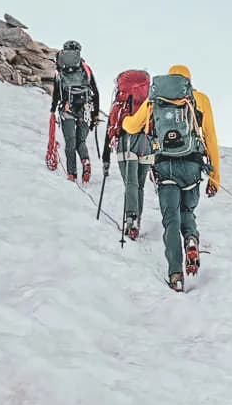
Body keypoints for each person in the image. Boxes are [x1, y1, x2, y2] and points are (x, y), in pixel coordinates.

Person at [119, 64, 220, 291]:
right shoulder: (199, 99)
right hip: (192, 165)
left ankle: (175, 274)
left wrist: (124, 119)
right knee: (187, 212)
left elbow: (134, 126)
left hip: (165, 166)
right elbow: (211, 137)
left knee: (171, 220)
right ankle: (191, 239)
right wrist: (215, 177)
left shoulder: (156, 98)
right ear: (188, 80)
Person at [104, 69, 153, 239]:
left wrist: (105, 158)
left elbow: (111, 128)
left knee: (130, 183)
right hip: (146, 145)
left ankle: (131, 218)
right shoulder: (149, 103)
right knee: (139, 185)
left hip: (127, 142)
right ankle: (136, 220)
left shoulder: (120, 103)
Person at [49, 40, 100, 183]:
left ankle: (72, 174)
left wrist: (53, 110)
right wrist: (95, 114)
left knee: (70, 143)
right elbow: (95, 92)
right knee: (80, 141)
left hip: (67, 108)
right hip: (85, 109)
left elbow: (56, 93)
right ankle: (85, 162)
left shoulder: (60, 69)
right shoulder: (86, 69)